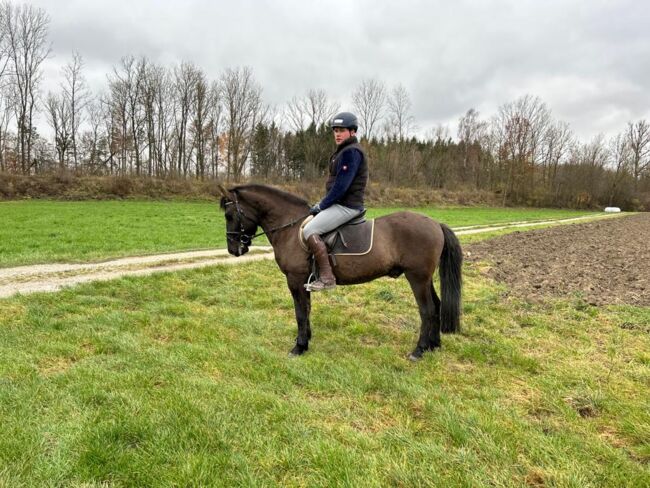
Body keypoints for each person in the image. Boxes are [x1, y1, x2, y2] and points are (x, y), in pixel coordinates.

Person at [303, 111, 368, 291]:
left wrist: (321, 206)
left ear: (352, 132)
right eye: (335, 130)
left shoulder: (351, 152)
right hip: (340, 203)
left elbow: (341, 187)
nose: (337, 134)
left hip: (347, 206)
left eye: (342, 130)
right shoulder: (343, 152)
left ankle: (327, 277)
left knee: (310, 229)